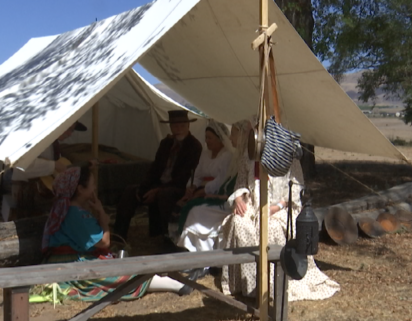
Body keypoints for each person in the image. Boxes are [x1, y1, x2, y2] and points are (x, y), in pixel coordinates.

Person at [220, 118, 340, 302]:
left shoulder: (287, 155)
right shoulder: (249, 153)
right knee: (238, 222)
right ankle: (247, 284)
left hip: (280, 208)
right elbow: (241, 183)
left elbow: (296, 189)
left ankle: (271, 283)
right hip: (253, 206)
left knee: (271, 227)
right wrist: (238, 198)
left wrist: (276, 207)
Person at [39, 163, 191, 301]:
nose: (95, 188)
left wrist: (97, 212)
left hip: (73, 259)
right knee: (116, 274)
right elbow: (104, 242)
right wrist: (103, 219)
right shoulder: (73, 213)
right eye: (92, 185)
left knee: (125, 264)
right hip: (69, 265)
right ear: (80, 189)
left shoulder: (72, 210)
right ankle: (166, 283)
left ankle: (159, 279)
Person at [114, 110, 202, 240]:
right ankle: (118, 236)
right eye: (175, 126)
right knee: (130, 191)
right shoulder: (165, 143)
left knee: (164, 195)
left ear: (188, 126)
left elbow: (185, 176)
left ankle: (167, 237)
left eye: (182, 125)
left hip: (179, 186)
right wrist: (144, 187)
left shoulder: (194, 146)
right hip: (160, 184)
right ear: (170, 127)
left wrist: (157, 190)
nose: (179, 129)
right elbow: (155, 168)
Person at [173, 119, 243, 255]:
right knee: (179, 203)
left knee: (195, 210)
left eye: (210, 138)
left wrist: (203, 191)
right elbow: (197, 174)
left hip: (213, 191)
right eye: (206, 138)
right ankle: (181, 243)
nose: (207, 141)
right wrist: (192, 186)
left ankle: (198, 250)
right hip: (202, 190)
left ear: (219, 138)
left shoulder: (227, 156)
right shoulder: (205, 154)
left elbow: (221, 180)